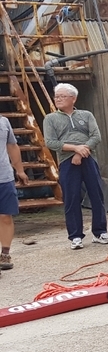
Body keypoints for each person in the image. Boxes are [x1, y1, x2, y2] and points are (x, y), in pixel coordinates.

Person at [43, 83, 108, 250]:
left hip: (88, 158)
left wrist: (81, 152)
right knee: (71, 199)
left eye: (62, 96)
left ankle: (100, 232)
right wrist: (75, 148)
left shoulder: (86, 115)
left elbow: (96, 136)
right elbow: (51, 142)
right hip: (67, 161)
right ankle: (75, 236)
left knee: (96, 195)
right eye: (56, 96)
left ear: (73, 98)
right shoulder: (50, 119)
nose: (58, 99)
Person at [0, 115, 29, 272]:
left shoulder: (4, 121)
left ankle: (5, 253)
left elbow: (12, 146)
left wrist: (20, 170)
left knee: (5, 216)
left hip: (4, 176)